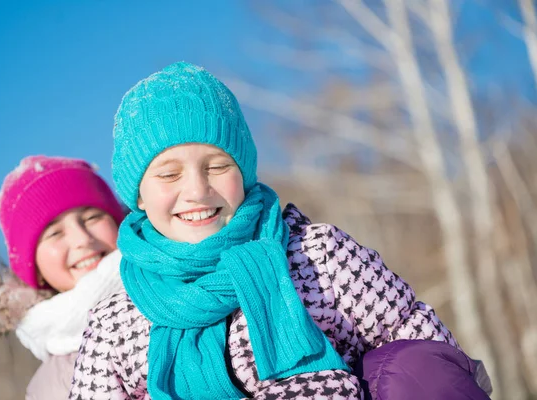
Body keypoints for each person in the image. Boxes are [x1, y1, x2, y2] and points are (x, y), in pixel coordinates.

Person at [69, 62, 490, 399]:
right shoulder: (114, 324)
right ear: (138, 197)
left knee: (413, 368)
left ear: (245, 173)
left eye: (217, 166)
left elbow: (413, 338)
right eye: (169, 174)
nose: (196, 190)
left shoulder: (314, 256)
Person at [0, 155, 126, 399]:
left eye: (91, 218)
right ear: (34, 267)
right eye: (55, 233)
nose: (82, 239)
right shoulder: (47, 389)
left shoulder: (182, 286)